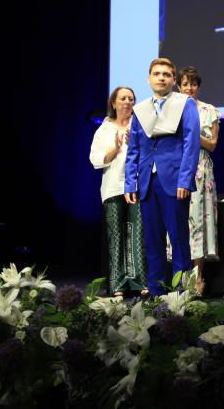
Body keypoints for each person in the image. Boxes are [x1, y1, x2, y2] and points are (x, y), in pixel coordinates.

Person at [124, 58, 201, 296]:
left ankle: (182, 293)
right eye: (156, 74)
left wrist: (185, 180)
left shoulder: (184, 104)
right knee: (152, 242)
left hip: (174, 181)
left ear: (173, 80)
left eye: (167, 74)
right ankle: (156, 292)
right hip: (147, 182)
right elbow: (134, 148)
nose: (161, 78)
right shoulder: (141, 109)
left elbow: (191, 143)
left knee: (178, 240)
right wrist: (130, 182)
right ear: (149, 79)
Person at [89, 86, 145, 296]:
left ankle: (138, 281)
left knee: (136, 234)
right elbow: (95, 159)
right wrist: (115, 149)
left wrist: (136, 144)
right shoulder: (104, 129)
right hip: (113, 187)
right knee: (117, 236)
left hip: (136, 186)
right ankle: (118, 284)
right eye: (123, 98)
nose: (128, 102)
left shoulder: (138, 126)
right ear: (114, 103)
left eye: (131, 98)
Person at [178, 66, 221, 297]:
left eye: (193, 84)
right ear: (179, 87)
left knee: (200, 223)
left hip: (201, 169)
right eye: (185, 84)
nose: (189, 88)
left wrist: (194, 133)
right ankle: (181, 277)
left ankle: (197, 278)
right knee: (180, 222)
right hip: (177, 169)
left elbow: (213, 144)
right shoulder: (172, 110)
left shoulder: (209, 110)